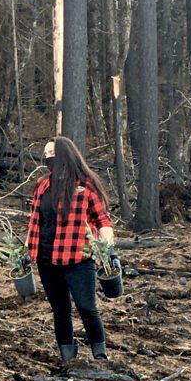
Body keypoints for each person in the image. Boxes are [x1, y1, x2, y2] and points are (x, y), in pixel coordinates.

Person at [27, 136, 120, 363]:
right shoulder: (42, 185)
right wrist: (26, 253)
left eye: (52, 154)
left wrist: (108, 250)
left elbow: (103, 222)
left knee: (86, 307)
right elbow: (35, 221)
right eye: (46, 155)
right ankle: (67, 357)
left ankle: (100, 355)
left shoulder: (85, 186)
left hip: (78, 258)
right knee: (60, 310)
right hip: (46, 259)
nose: (47, 159)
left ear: (64, 157)